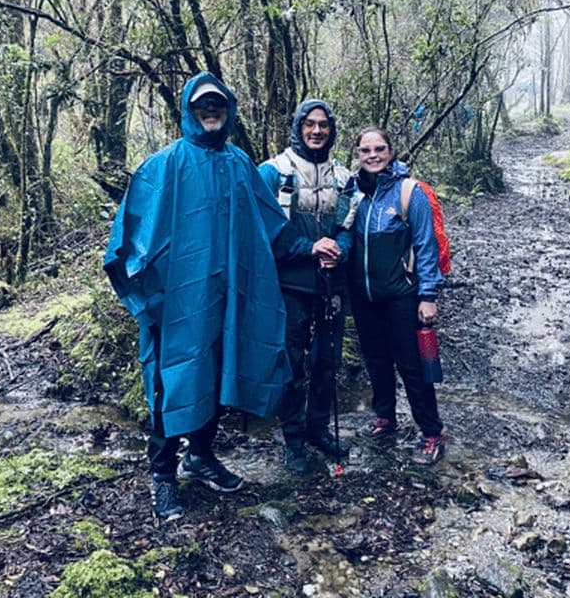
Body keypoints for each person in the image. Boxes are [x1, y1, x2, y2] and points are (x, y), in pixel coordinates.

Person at [104, 73, 294, 523]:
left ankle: (201, 457)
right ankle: (162, 477)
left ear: (228, 109)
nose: (211, 111)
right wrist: (147, 299)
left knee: (215, 376)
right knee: (174, 384)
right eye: (203, 105)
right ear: (190, 111)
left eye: (218, 105)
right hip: (179, 308)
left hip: (228, 302)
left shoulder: (241, 164)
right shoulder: (163, 166)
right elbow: (130, 242)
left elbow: (270, 230)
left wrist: (318, 250)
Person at [259, 100, 355, 473]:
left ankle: (318, 430)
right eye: (310, 125)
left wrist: (339, 251)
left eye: (324, 126)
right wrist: (308, 247)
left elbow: (349, 226)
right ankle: (294, 441)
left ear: (331, 131)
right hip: (289, 285)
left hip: (331, 284)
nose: (317, 131)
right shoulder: (273, 171)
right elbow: (267, 227)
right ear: (298, 127)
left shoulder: (345, 178)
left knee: (326, 361)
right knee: (292, 362)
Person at [348, 126, 446, 465]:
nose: (372, 155)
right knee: (376, 360)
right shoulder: (354, 192)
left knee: (412, 366)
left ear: (391, 151)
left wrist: (428, 295)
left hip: (401, 296)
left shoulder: (409, 192)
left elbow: (425, 244)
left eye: (379, 149)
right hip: (364, 296)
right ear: (357, 154)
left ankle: (432, 433)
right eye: (365, 150)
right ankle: (385, 418)